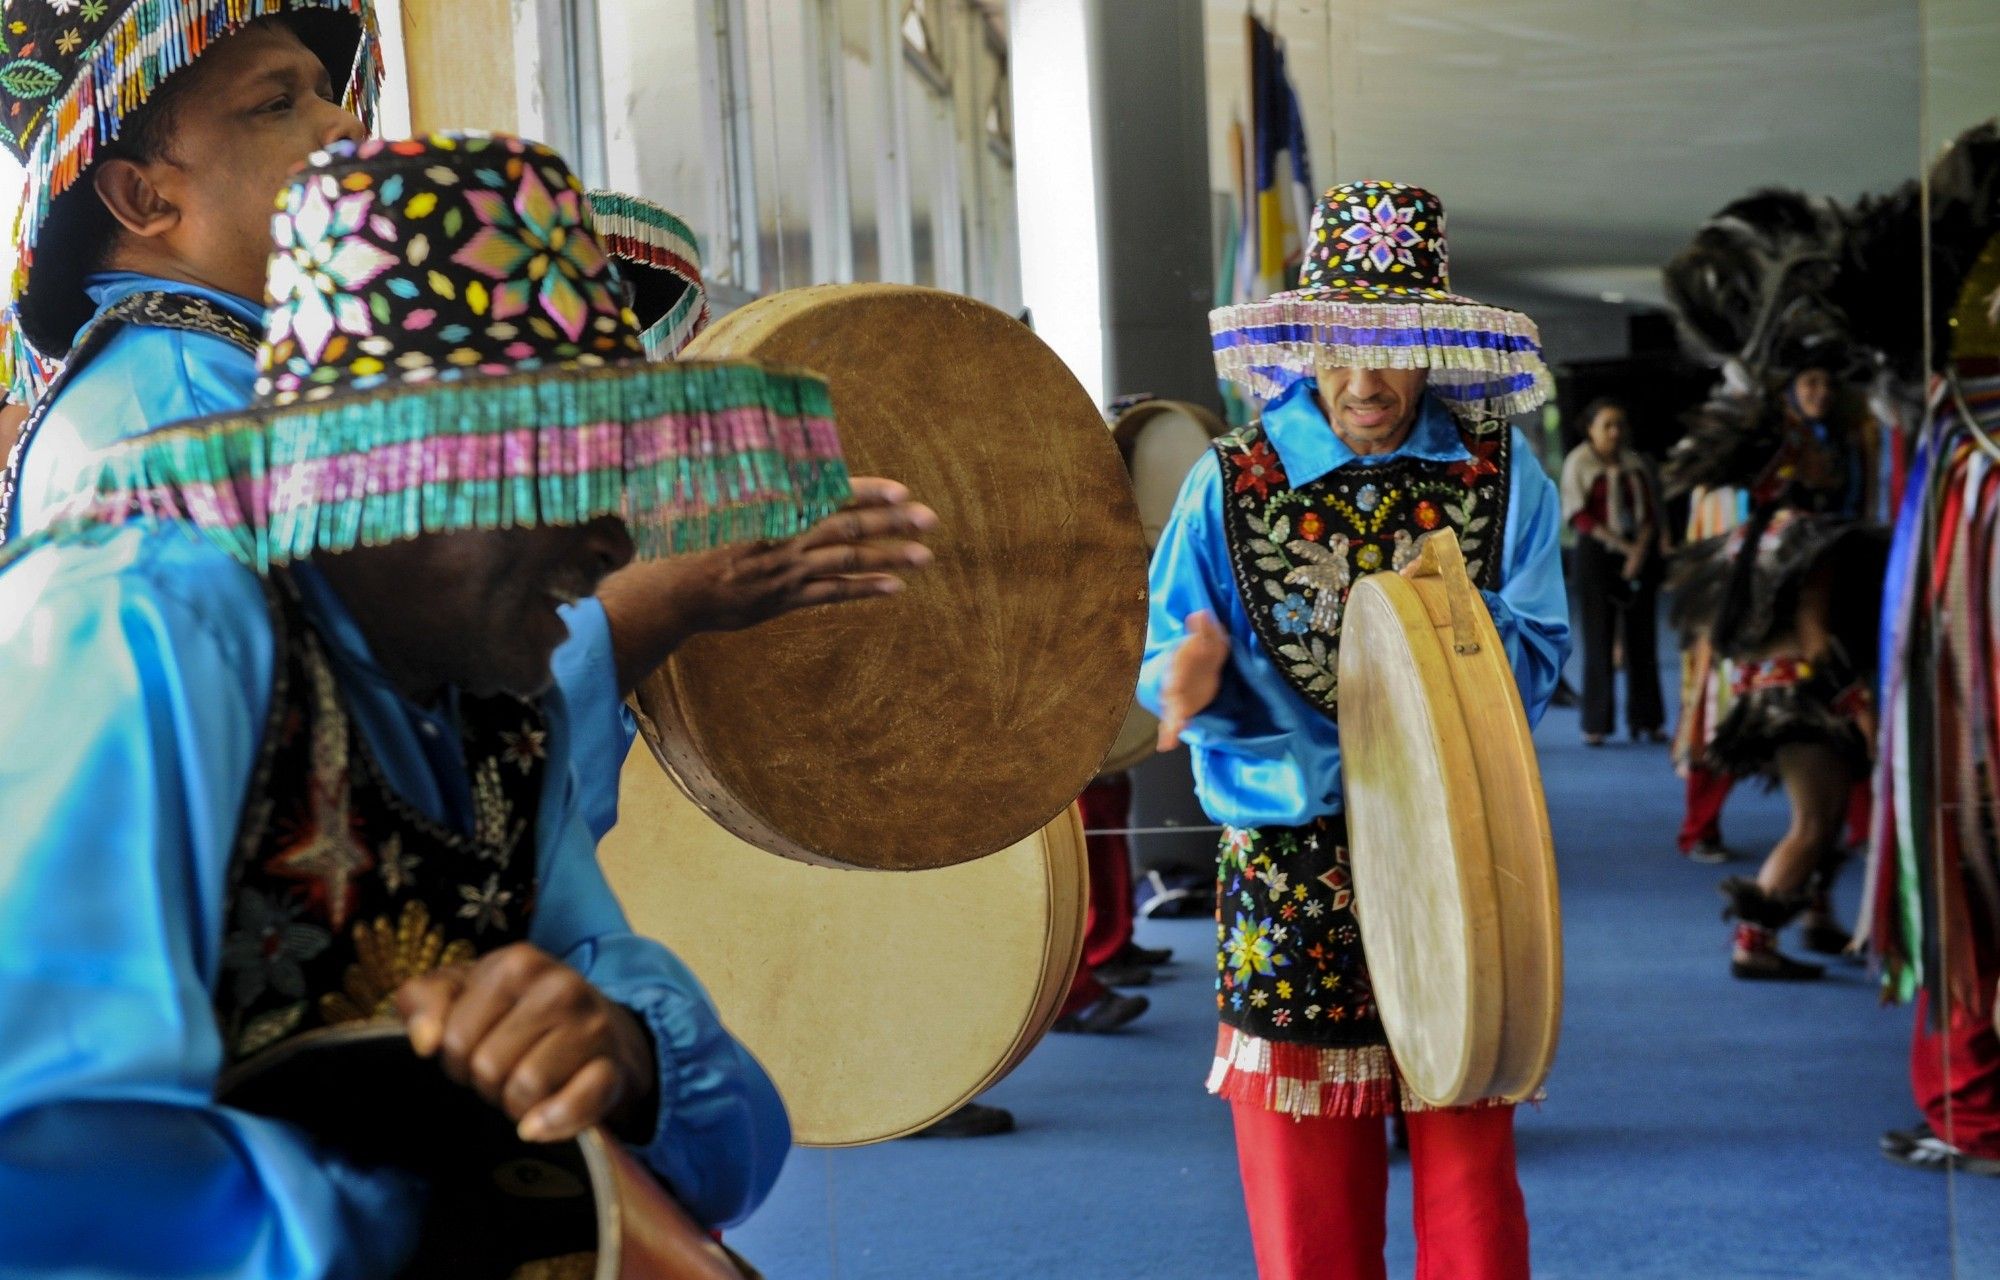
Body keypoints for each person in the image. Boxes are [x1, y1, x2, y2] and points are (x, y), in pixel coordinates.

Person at [0, 132, 856, 1273]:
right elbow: (37, 1153)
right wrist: (415, 1217)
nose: (611, 541)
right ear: (404, 470)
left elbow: (729, 1136)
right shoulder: (151, 628)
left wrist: (625, 1052)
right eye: (567, 479)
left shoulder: (501, 710)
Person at [0, 4, 934, 840]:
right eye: (275, 104)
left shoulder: (206, 373)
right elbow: (377, 795)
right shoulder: (191, 414)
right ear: (143, 197)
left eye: (328, 92)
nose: (342, 122)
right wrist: (665, 598)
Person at [1151, 180, 1568, 1280]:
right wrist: (1188, 669)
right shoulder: (1229, 482)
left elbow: (1537, 651)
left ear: (1432, 344)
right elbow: (1167, 640)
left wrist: (1441, 651)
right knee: (1305, 1204)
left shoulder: (1496, 473)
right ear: (1304, 339)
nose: (1364, 378)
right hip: (1291, 866)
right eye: (1340, 343)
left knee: (1470, 1174)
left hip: (1461, 839)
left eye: (1391, 345)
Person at [1664, 353, 1887, 981]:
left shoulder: (1749, 534)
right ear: (1788, 463)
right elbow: (1816, 636)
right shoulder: (1806, 536)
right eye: (1809, 449)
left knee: (1827, 814)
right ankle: (1753, 943)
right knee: (1814, 822)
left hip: (1760, 695)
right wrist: (1858, 706)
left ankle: (1815, 916)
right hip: (1802, 700)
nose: (1825, 456)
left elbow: (1726, 630)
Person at [1560, 397, 1665, 746]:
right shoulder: (1579, 462)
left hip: (1638, 553)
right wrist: (1622, 548)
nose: (1614, 432)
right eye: (1606, 425)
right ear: (1590, 429)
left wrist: (1639, 551)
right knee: (1598, 639)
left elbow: (1651, 513)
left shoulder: (1637, 464)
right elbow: (1578, 514)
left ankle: (1647, 720)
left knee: (1642, 639)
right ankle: (1596, 724)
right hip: (1595, 554)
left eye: (1619, 424)